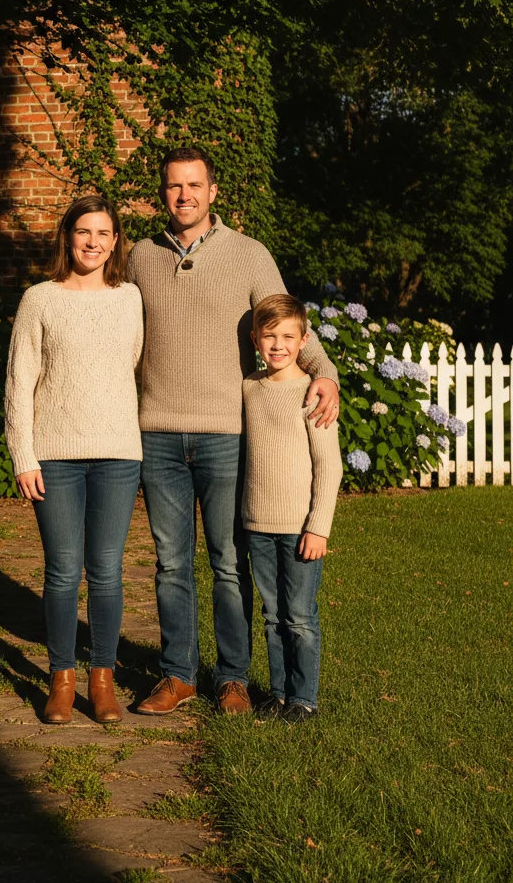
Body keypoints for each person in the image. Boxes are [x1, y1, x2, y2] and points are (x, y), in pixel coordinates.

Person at [128, 147, 340, 717]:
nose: (184, 195)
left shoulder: (248, 254)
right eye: (174, 186)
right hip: (159, 434)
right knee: (171, 562)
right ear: (162, 193)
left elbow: (287, 318)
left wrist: (327, 372)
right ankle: (176, 675)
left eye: (194, 185)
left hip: (226, 434)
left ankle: (232, 679)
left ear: (213, 192)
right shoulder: (140, 258)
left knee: (227, 563)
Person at [5, 196, 144, 725]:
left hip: (116, 452)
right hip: (55, 456)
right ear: (67, 237)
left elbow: (129, 363)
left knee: (107, 570)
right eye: (83, 231)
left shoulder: (129, 297)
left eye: (103, 233)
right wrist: (24, 454)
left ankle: (101, 679)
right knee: (63, 571)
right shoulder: (40, 299)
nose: (92, 241)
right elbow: (20, 382)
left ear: (115, 241)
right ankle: (61, 679)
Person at [243, 294, 342, 722]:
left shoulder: (312, 393)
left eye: (288, 336)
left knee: (300, 616)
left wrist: (318, 527)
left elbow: (330, 467)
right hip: (257, 524)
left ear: (304, 341)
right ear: (255, 339)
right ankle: (279, 694)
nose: (278, 344)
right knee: (272, 615)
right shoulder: (249, 387)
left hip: (300, 527)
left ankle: (304, 700)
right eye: (269, 336)